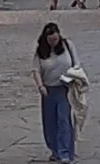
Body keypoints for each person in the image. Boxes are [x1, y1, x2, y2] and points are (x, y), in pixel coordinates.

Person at [31, 23, 81, 164]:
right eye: (50, 40)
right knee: (50, 122)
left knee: (64, 120)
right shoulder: (41, 52)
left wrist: (71, 79)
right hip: (48, 89)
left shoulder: (68, 45)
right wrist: (40, 86)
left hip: (65, 88)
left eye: (55, 39)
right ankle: (55, 150)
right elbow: (36, 70)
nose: (54, 43)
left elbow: (76, 64)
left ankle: (65, 152)